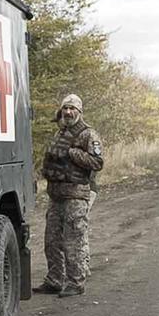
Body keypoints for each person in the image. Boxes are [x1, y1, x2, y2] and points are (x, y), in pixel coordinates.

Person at [34, 94, 103, 298]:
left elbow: (97, 163)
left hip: (76, 195)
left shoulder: (87, 134)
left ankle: (75, 282)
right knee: (52, 240)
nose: (68, 112)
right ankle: (55, 279)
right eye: (65, 108)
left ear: (79, 111)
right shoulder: (59, 133)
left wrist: (73, 153)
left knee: (74, 240)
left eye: (72, 108)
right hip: (56, 195)